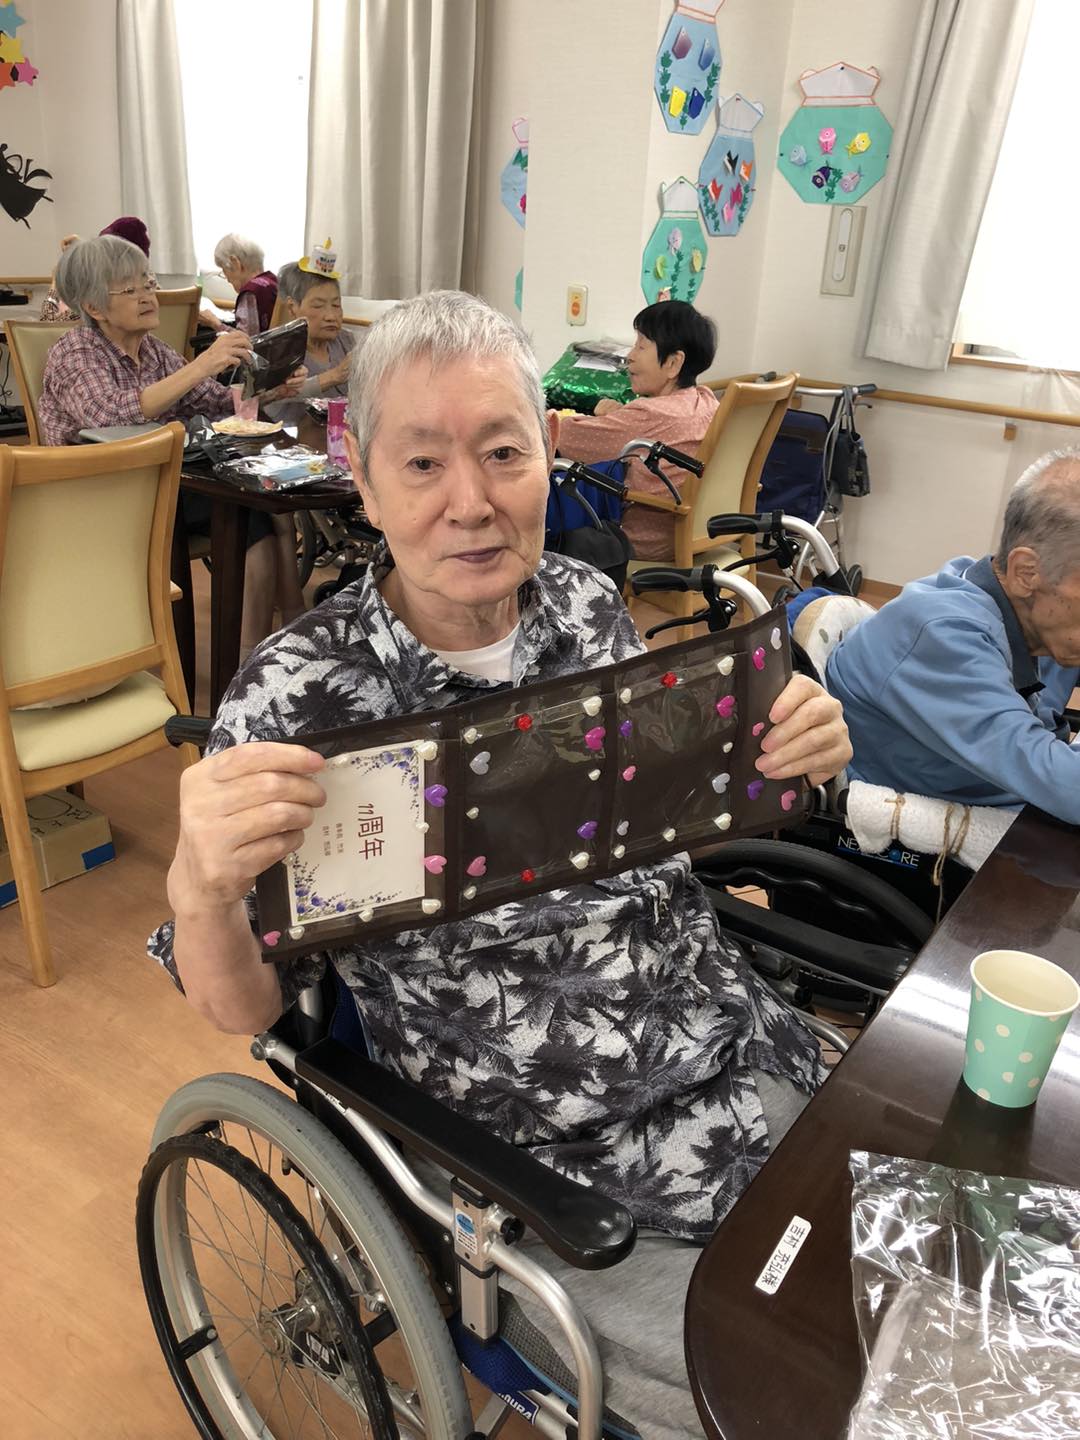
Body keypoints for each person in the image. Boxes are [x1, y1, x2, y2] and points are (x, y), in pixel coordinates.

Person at [148, 291, 851, 1438]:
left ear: (548, 456)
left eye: (504, 453)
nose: (471, 502)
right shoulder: (296, 699)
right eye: (423, 463)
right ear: (365, 483)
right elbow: (246, 1011)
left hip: (738, 1043)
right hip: (560, 1163)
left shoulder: (584, 605)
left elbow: (659, 834)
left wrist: (791, 752)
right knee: (805, 1397)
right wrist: (201, 887)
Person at [39, 234, 307, 648]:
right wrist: (200, 365)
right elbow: (109, 415)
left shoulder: (155, 351)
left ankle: (249, 657)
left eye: (148, 282)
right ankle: (247, 649)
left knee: (255, 514)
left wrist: (272, 387)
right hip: (99, 499)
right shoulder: (74, 352)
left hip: (161, 487)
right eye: (130, 289)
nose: (148, 295)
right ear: (94, 307)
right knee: (247, 512)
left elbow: (217, 402)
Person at [826, 448, 1080, 823]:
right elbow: (1068, 787)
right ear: (1026, 572)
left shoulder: (1037, 613)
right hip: (918, 822)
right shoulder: (943, 636)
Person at [555, 300, 720, 559]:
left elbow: (563, 436)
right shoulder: (707, 400)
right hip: (698, 535)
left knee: (550, 535)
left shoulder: (648, 415)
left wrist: (547, 415)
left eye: (641, 346)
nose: (630, 355)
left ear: (673, 363)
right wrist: (619, 416)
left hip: (643, 542)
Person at [263, 257, 358, 425]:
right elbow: (269, 399)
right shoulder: (279, 348)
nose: (331, 316)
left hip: (339, 434)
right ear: (292, 307)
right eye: (318, 306)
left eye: (336, 305)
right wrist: (334, 376)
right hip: (288, 436)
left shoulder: (346, 341)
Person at [39, 214, 151, 321]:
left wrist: (55, 283)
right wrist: (80, 252)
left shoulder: (104, 297)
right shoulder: (149, 289)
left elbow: (47, 321)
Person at [199, 232, 278, 336]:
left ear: (235, 263)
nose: (227, 280)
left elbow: (244, 340)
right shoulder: (272, 281)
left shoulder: (250, 294)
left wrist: (214, 323)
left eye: (224, 270)